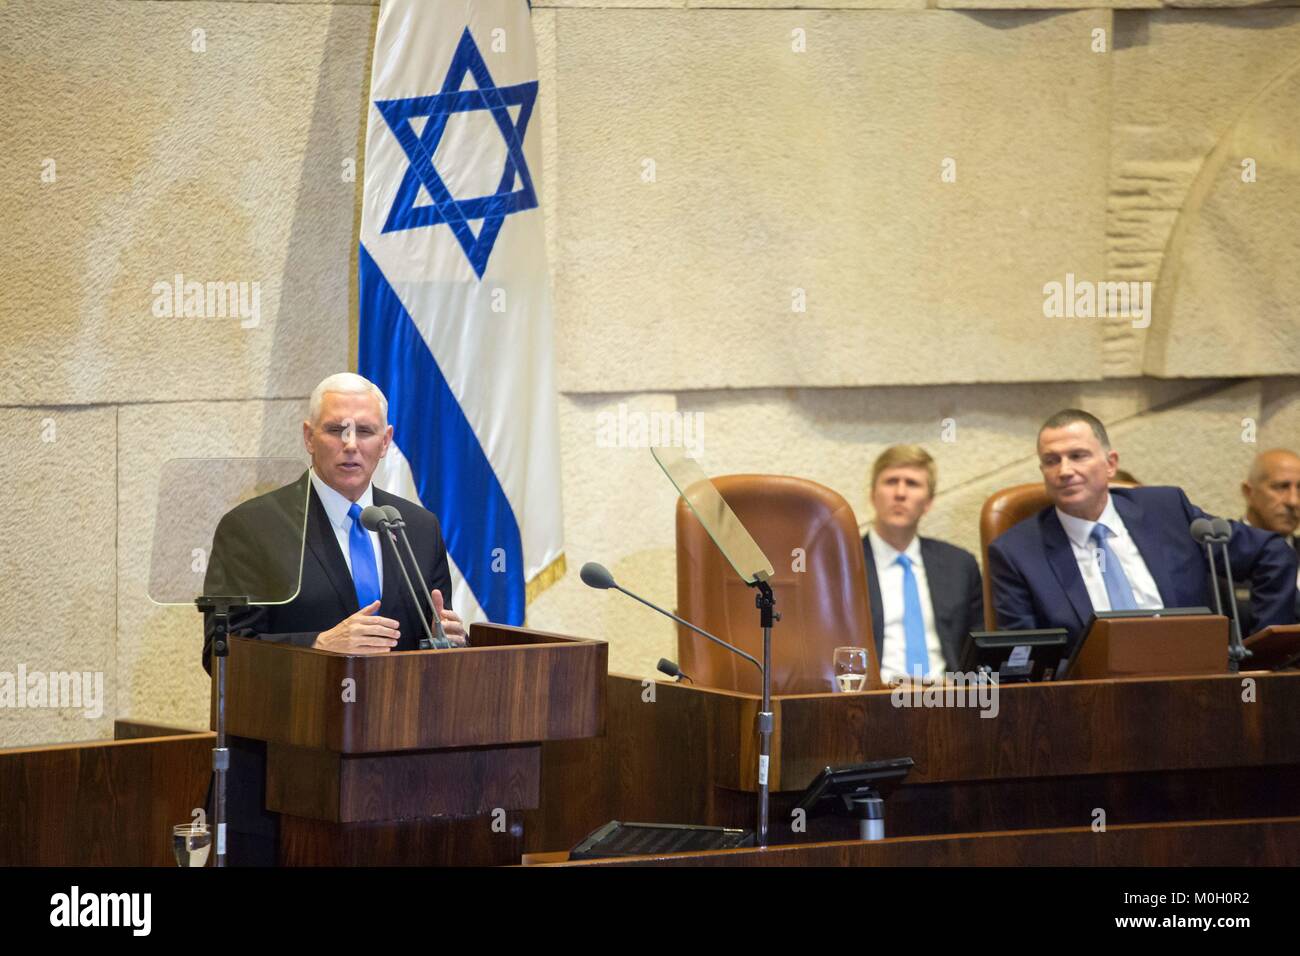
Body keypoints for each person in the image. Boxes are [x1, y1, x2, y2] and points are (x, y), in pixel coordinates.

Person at [200, 372, 466, 864]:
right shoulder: (253, 528)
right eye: (334, 430)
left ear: (385, 443)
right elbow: (223, 658)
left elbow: (431, 640)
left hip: (398, 789)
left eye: (364, 432)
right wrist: (318, 646)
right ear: (308, 437)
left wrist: (448, 643)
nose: (350, 445)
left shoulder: (419, 528)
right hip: (280, 787)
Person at [988, 409, 1297, 644]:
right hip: (1091, 704)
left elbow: (1272, 554)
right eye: (1051, 460)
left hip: (1195, 684)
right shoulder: (1017, 552)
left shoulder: (1167, 511)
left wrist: (1259, 654)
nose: (1065, 471)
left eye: (1077, 456)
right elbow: (1025, 656)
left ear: (1110, 463)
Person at [861, 445, 983, 682]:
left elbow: (978, 649)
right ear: (872, 495)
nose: (900, 493)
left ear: (928, 502)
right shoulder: (844, 564)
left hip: (948, 699)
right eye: (890, 481)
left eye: (912, 484)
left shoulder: (959, 565)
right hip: (875, 700)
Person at [1232, 449, 1300, 632]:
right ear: (1248, 492)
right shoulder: (1219, 558)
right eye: (1281, 487)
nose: (1293, 501)